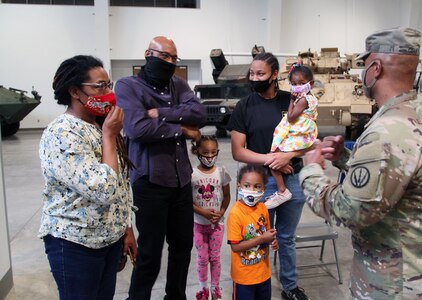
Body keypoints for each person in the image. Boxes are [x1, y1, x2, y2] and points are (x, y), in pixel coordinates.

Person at [299, 27, 422, 299]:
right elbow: (400, 174)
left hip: (390, 285)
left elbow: (350, 211)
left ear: (375, 68)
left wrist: (310, 171)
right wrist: (347, 159)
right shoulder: (411, 115)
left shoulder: (387, 131)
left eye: (364, 65)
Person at [115, 36, 207, 300]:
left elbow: (199, 114)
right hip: (150, 181)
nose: (169, 62)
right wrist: (181, 128)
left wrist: (161, 113)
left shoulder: (177, 83)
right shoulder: (128, 86)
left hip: (180, 181)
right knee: (150, 252)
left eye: (174, 58)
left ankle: (176, 296)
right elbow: (137, 128)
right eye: (164, 56)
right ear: (148, 54)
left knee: (182, 247)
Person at [39, 55, 137, 300]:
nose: (108, 93)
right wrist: (108, 137)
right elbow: (103, 189)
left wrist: (125, 228)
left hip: (107, 240)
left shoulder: (97, 125)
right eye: (99, 86)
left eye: (108, 85)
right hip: (75, 243)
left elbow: (120, 184)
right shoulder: (62, 133)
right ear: (75, 91)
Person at [227, 52, 310, 300]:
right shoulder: (244, 106)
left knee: (286, 237)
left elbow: (308, 140)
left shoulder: (291, 102)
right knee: (259, 237)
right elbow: (237, 151)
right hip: (259, 185)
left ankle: (290, 286)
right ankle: (256, 285)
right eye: (252, 73)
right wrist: (273, 159)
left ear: (275, 75)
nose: (254, 78)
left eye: (260, 73)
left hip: (292, 179)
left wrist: (289, 156)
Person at [265, 63, 318, 210]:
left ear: (310, 84)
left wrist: (291, 100)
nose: (297, 86)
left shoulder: (302, 100)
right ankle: (282, 188)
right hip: (304, 131)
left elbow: (290, 117)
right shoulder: (310, 98)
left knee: (273, 157)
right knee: (276, 157)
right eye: (294, 84)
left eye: (301, 83)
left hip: (297, 130)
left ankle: (282, 191)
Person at [227, 164, 279, 300]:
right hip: (244, 277)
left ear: (264, 189)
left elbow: (267, 232)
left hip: (263, 273)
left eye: (257, 186)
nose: (251, 190)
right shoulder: (235, 214)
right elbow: (235, 246)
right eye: (247, 185)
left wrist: (273, 241)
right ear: (239, 186)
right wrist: (262, 239)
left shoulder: (263, 208)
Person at [191, 135, 231, 300]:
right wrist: (203, 213)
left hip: (217, 225)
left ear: (218, 152)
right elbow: (187, 200)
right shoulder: (192, 174)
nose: (209, 156)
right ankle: (203, 289)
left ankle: (216, 289)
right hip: (198, 225)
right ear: (197, 152)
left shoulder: (221, 172)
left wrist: (221, 213)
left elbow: (227, 196)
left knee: (215, 258)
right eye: (205, 152)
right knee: (202, 258)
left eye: (213, 152)